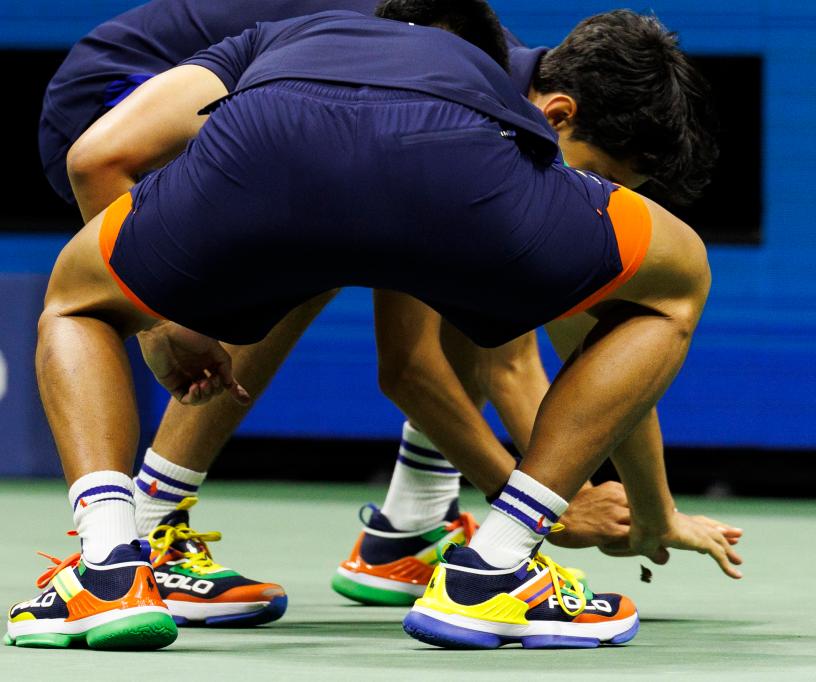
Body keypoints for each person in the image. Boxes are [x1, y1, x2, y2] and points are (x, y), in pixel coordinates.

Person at [8, 9, 741, 651]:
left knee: (96, 298)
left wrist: (155, 315)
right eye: (600, 180)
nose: (596, 198)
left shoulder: (408, 58)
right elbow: (445, 365)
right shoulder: (482, 119)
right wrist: (556, 511)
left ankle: (115, 565)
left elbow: (468, 355)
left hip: (267, 136)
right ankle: (486, 566)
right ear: (556, 113)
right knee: (665, 275)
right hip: (117, 92)